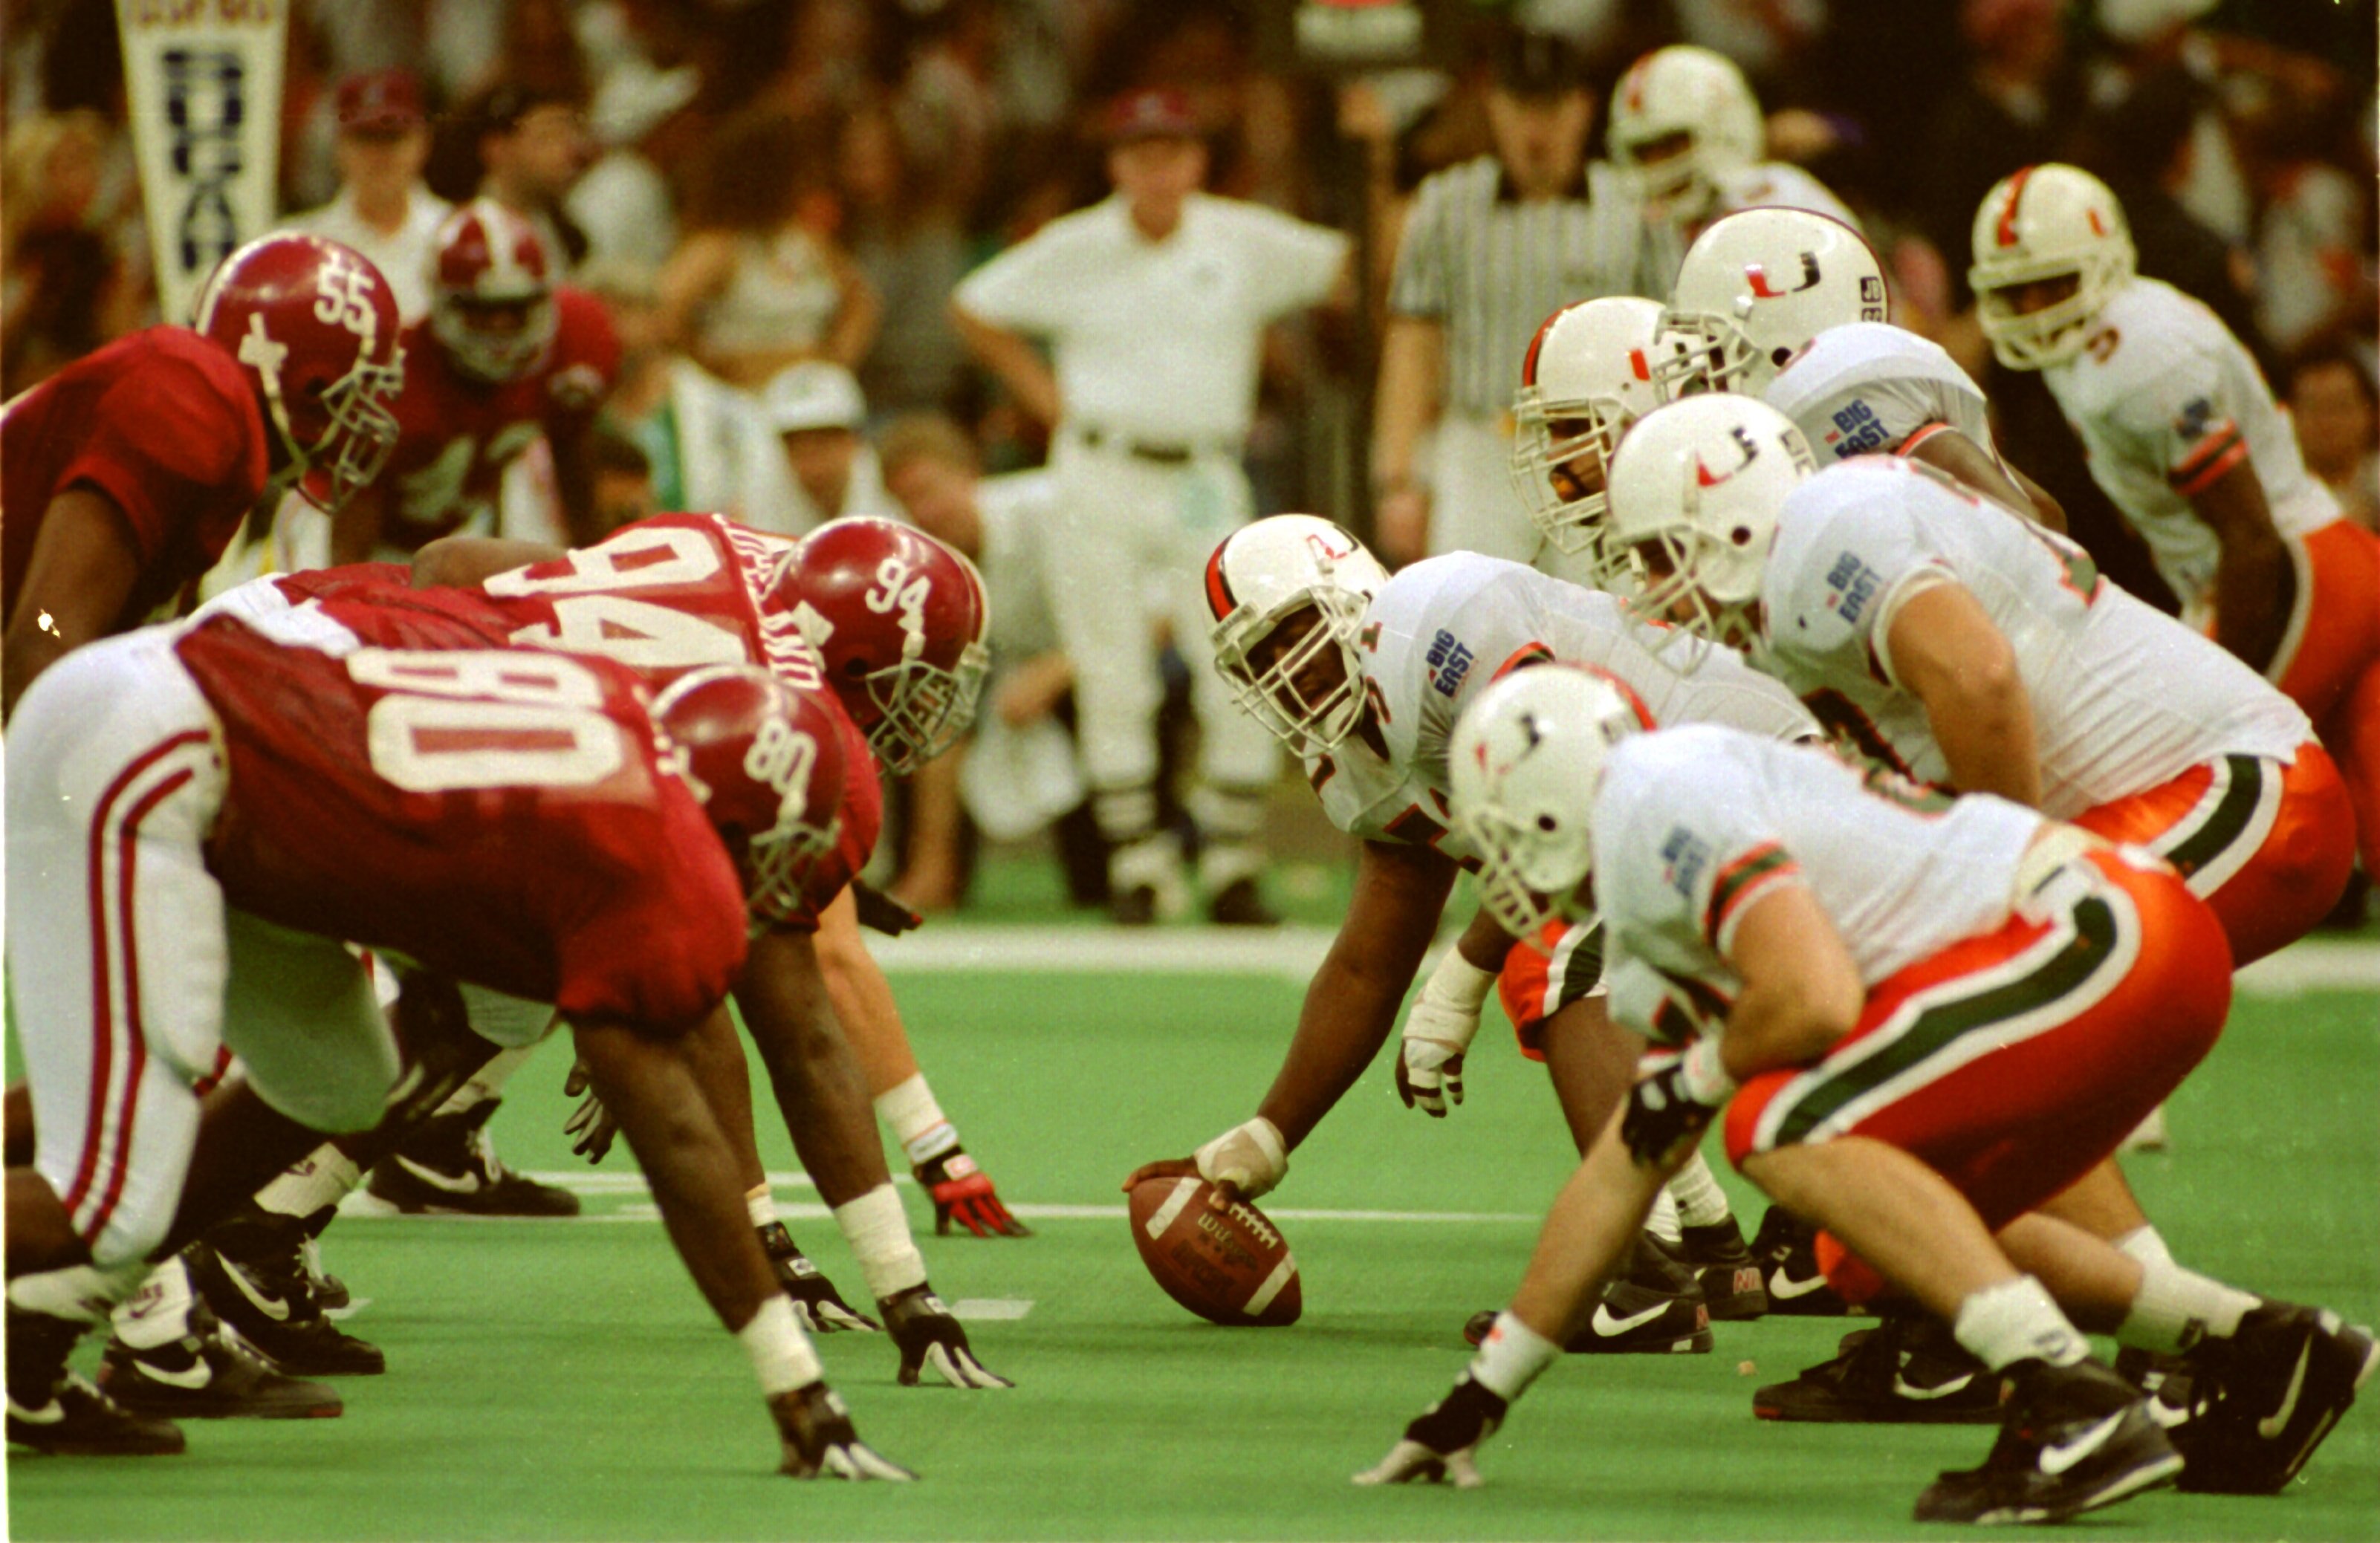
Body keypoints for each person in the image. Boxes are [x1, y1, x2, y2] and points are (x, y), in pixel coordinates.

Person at [1357, 663, 2373, 1517]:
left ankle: (2070, 1398)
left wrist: (1706, 1074)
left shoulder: (1653, 800)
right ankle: (2258, 1340)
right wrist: (1476, 1397)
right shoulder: (1661, 820)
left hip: (2096, 934)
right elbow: (1627, 1163)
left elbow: (1808, 996)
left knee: (1777, 1121)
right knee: (1901, 1226)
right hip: (2131, 945)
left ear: (1539, 798)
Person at [5, 606, 914, 1478]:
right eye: (779, 853)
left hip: (204, 742)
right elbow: (676, 1139)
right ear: (727, 823)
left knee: (340, 1084)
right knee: (111, 1197)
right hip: (151, 761)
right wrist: (791, 1377)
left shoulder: (620, 719)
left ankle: (27, 1345)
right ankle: (48, 1311)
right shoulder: (647, 850)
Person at [1598, 392, 2354, 1419]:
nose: (1649, 592)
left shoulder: (1820, 534)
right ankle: (2183, 1340)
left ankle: (2154, 1364)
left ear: (1729, 523)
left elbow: (1982, 677)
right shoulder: (1818, 553)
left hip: (2230, 788)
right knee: (1910, 1170)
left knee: (1961, 1068)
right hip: (2177, 802)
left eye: (1655, 555)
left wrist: (1997, 888)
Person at [1123, 514, 1825, 1351]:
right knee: (1570, 949)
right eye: (1261, 662)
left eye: (1295, 636)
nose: (1290, 674)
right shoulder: (1352, 759)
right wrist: (1266, 1135)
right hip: (1692, 813)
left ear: (1349, 597)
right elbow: (1366, 961)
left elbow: (1577, 787)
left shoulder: (1434, 618)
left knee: (1547, 948)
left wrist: (1462, 974)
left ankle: (1642, 1271)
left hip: (1762, 769)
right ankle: (1707, 1246)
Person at [950, 86, 1349, 925]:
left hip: (1204, 466)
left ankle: (1231, 854)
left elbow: (1342, 266)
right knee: (1107, 660)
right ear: (1117, 163)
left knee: (1239, 653)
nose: (1157, 169)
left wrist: (1370, 158)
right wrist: (1039, 392)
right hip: (1101, 462)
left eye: (1172, 151)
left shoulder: (1239, 237)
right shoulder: (1079, 245)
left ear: (1196, 160)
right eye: (1140, 153)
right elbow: (976, 305)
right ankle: (1140, 860)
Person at [1968, 164, 2380, 877]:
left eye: (2054, 284)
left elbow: (2249, 539)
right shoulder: (2107, 332)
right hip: (2291, 566)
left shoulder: (2139, 358)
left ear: (2102, 265)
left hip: (2297, 576)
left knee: (2168, 778)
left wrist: (2224, 685)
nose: (2034, 307)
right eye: (2015, 290)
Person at [1, 231, 404, 717]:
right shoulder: (194, 397)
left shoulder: (224, 433)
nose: (361, 418)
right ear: (309, 383)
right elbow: (44, 643)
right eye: (353, 394)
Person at [1371, 30, 1644, 567]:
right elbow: (1413, 344)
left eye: (1552, 106)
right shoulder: (1445, 204)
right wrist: (1398, 477)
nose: (1535, 127)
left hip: (1598, 448)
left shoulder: (1632, 208)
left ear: (1582, 109)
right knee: (1473, 618)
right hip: (1480, 444)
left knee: (1594, 628)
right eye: (1521, 105)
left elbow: (1662, 338)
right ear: (1495, 107)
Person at [1658, 207, 2068, 536]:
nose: (1702, 369)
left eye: (1713, 347)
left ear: (1780, 342)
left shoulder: (1851, 394)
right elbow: (2048, 516)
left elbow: (2041, 535)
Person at [878, 414, 1095, 912]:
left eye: (930, 490)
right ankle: (933, 869)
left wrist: (1061, 668)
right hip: (1004, 684)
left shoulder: (1053, 506)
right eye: (906, 501)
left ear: (970, 473)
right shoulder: (921, 563)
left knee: (1096, 886)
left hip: (1101, 675)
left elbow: (1156, 606)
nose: (923, 510)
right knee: (919, 703)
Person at [334, 199, 620, 567]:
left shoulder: (575, 341)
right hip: (379, 549)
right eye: (482, 313)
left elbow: (572, 453)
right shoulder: (395, 382)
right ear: (441, 304)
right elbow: (347, 546)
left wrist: (592, 565)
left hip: (469, 535)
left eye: (515, 311)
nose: (500, 334)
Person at [1603, 45, 1859, 292]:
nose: (1658, 167)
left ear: (1726, 127)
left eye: (1672, 144)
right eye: (1644, 152)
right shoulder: (1641, 233)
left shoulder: (1781, 201)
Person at [659, 108, 881, 393]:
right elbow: (663, 314)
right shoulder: (718, 247)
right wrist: (708, 367)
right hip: (743, 397)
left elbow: (863, 304)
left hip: (808, 399)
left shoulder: (808, 242)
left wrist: (834, 361)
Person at [579, 260, 800, 531]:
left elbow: (757, 511)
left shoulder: (729, 413)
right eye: (598, 316)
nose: (611, 329)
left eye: (622, 312)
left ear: (658, 321)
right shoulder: (571, 410)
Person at [284, 71, 453, 324]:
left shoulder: (455, 234)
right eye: (365, 138)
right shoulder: (297, 246)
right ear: (339, 146)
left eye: (392, 137)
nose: (379, 154)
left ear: (422, 142)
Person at [473, 81, 595, 279]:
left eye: (566, 139)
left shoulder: (569, 234)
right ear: (497, 149)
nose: (563, 153)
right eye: (546, 139)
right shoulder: (470, 236)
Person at [759, 362, 898, 533]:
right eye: (798, 448)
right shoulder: (759, 494)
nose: (814, 463)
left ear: (853, 441)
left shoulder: (892, 486)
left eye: (824, 444)